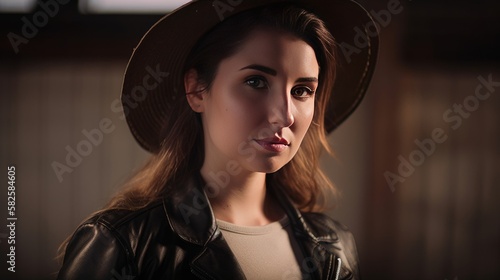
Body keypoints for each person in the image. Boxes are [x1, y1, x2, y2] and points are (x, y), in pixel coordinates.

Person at [56, 0, 378, 279]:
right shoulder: (122, 246)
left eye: (302, 91)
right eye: (256, 81)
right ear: (196, 89)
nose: (285, 115)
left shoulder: (335, 247)